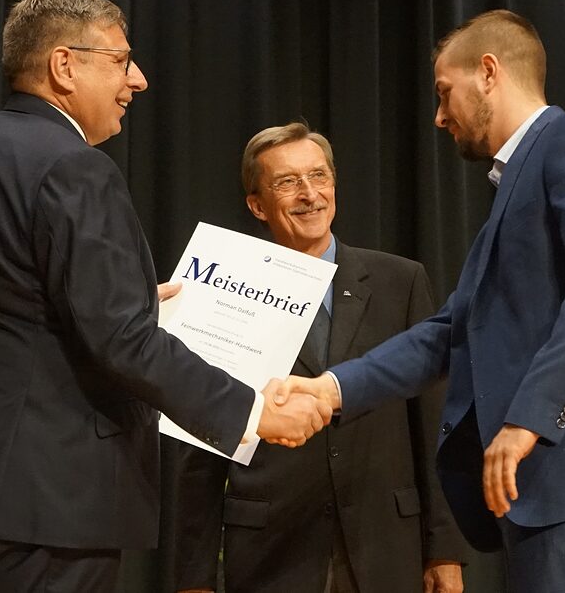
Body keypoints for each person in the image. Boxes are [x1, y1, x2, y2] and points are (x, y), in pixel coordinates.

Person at [0, 0, 330, 592]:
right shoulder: (76, 166)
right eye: (119, 61)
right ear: (63, 66)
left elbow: (8, 301)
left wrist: (125, 298)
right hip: (48, 493)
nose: (138, 79)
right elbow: (122, 340)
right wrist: (254, 410)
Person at [276, 10, 565, 591]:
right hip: (549, 486)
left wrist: (530, 418)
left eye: (445, 92)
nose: (440, 116)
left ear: (489, 72)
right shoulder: (516, 183)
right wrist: (331, 389)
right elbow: (450, 330)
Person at [166, 123, 470, 593]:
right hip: (273, 554)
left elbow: (432, 420)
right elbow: (199, 446)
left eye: (319, 176)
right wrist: (194, 578)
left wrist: (445, 548)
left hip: (385, 547)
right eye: (287, 182)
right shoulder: (221, 288)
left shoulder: (400, 281)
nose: (309, 194)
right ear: (256, 205)